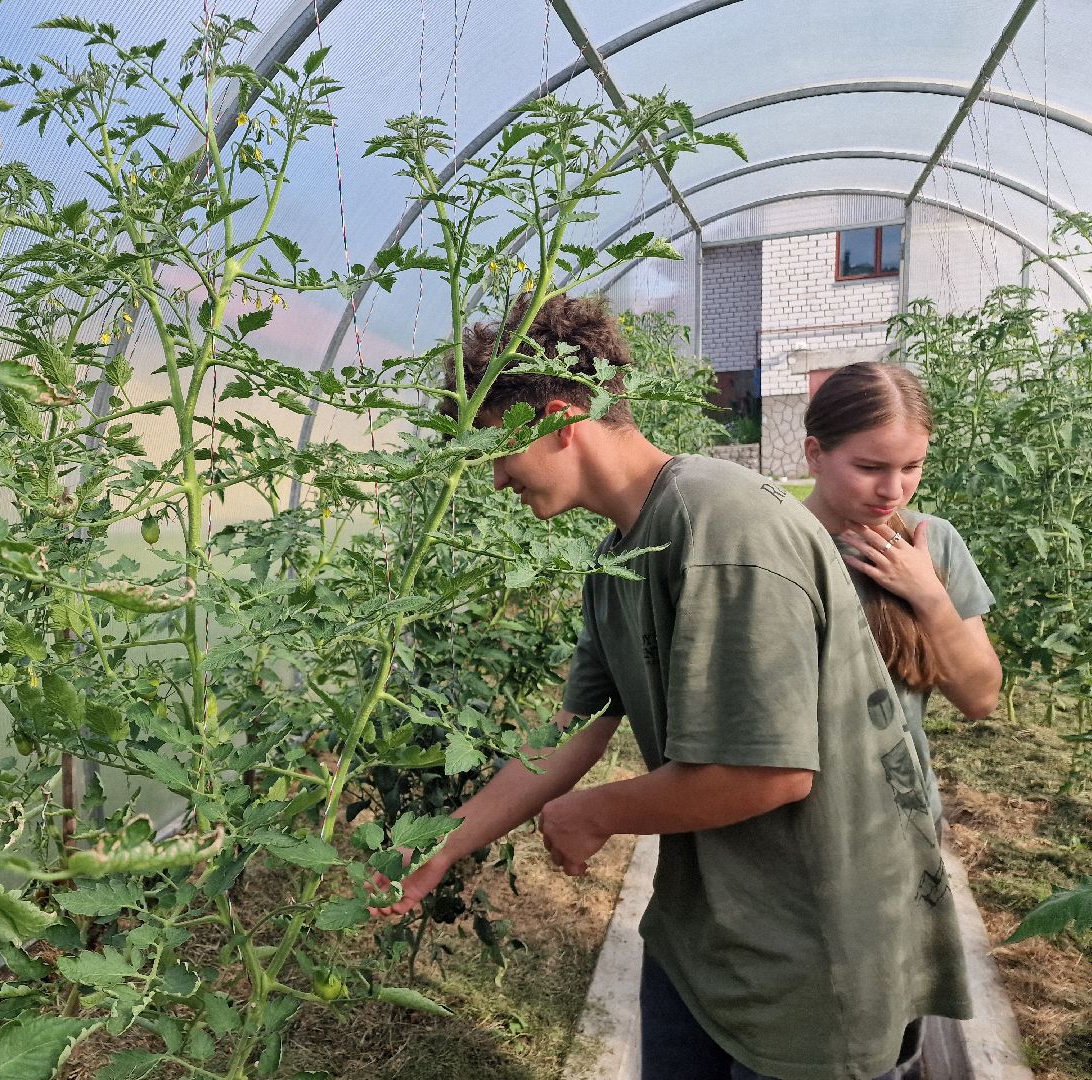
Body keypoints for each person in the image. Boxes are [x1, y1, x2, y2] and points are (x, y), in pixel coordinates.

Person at [372, 294, 971, 1080]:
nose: (493, 480)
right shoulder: (619, 554)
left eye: (495, 451)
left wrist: (593, 812)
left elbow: (769, 772)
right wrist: (442, 849)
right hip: (709, 935)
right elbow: (572, 726)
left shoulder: (720, 526)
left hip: (816, 953)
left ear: (555, 418)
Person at [802, 361, 1002, 830]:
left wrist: (928, 595)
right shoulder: (776, 544)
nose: (894, 490)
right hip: (800, 827)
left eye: (912, 467)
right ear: (815, 454)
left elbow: (979, 698)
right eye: (870, 468)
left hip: (903, 820)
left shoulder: (931, 542)